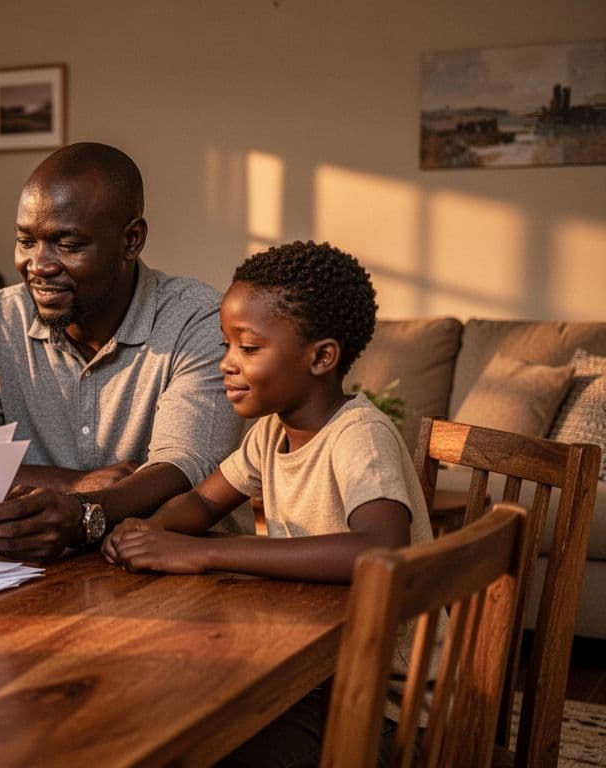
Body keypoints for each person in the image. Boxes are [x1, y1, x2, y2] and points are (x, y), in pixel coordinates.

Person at [103, 241, 433, 767]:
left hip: (386, 711)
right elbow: (202, 503)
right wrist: (149, 529)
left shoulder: (359, 436)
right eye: (226, 345)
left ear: (321, 357)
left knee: (208, 747)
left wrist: (206, 554)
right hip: (321, 673)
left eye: (249, 348)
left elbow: (379, 548)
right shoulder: (270, 432)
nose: (226, 364)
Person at [0, 142, 242, 562]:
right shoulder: (0, 320)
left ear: (131, 240)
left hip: (181, 574)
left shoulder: (197, 318)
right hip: (33, 578)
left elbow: (184, 467)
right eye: (26, 241)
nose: (39, 265)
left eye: (67, 245)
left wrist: (80, 514)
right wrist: (73, 485)